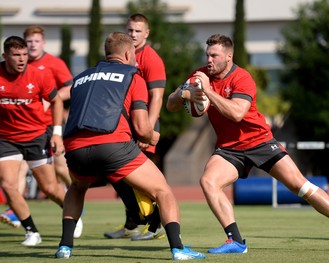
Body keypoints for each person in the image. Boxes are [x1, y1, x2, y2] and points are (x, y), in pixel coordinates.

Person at [166, 34, 329, 254]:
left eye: (214, 55)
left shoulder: (242, 78)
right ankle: (236, 241)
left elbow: (237, 113)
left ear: (229, 56)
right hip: (229, 148)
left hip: (260, 142)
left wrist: (207, 91)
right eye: (207, 54)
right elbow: (170, 105)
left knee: (300, 186)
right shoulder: (201, 75)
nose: (209, 60)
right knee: (208, 181)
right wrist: (185, 93)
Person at [54, 32, 205, 260]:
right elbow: (142, 128)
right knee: (163, 191)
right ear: (127, 53)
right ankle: (178, 249)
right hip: (112, 146)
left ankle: (65, 247)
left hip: (74, 148)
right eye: (133, 53)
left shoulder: (81, 77)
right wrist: (153, 137)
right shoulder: (133, 76)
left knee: (76, 189)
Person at [0, 25, 83, 238]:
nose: (21, 59)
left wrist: (56, 132)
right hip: (7, 139)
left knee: (49, 188)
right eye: (16, 55)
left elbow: (56, 101)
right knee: (8, 184)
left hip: (36, 135)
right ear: (4, 56)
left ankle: (74, 213)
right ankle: (31, 231)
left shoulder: (40, 75)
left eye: (24, 55)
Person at [104, 13, 165, 241]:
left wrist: (146, 130)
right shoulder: (121, 56)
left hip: (142, 125)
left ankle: (156, 225)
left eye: (138, 31)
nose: (133, 34)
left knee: (140, 180)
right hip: (123, 127)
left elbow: (156, 97)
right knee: (120, 177)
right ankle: (132, 224)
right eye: (130, 30)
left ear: (147, 33)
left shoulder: (151, 58)